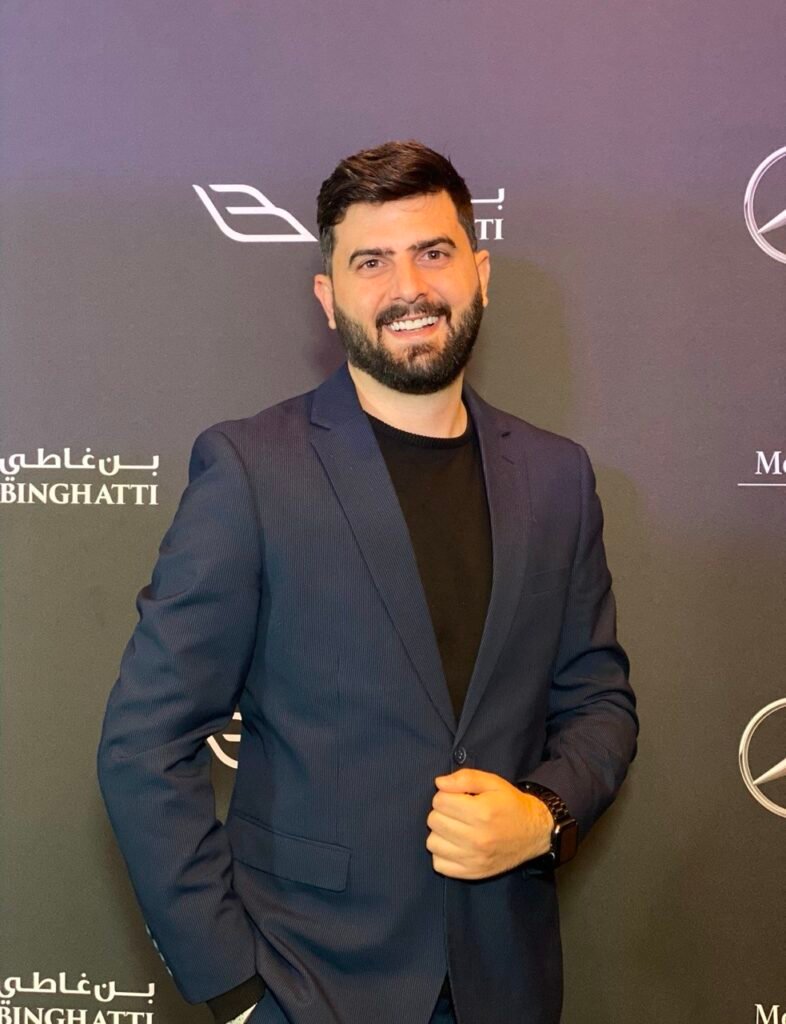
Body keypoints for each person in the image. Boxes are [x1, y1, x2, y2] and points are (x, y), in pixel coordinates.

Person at [97, 140, 638, 1024]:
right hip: (308, 986)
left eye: (433, 252)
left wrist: (544, 813)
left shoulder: (557, 477)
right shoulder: (251, 471)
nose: (408, 287)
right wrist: (235, 989)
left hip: (508, 982)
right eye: (371, 262)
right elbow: (143, 743)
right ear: (329, 296)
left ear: (480, 273)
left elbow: (599, 702)